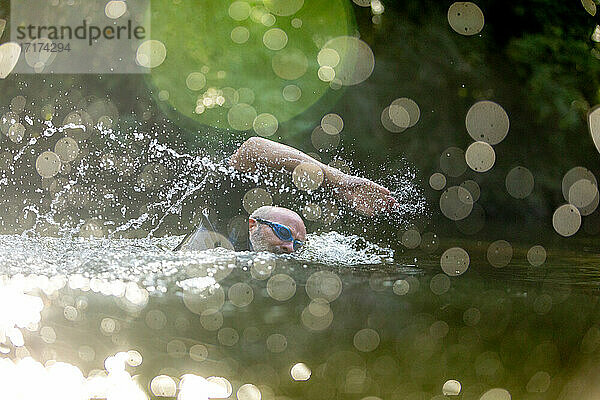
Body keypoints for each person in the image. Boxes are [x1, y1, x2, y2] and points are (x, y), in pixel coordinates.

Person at [175, 137, 398, 253]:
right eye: (283, 233)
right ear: (253, 225)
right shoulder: (224, 224)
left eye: (298, 245)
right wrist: (337, 179)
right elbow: (252, 148)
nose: (289, 247)